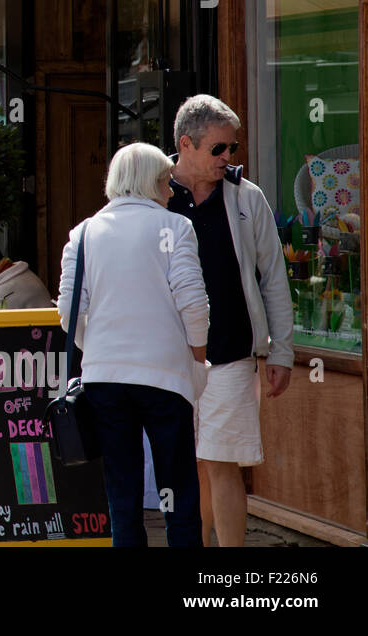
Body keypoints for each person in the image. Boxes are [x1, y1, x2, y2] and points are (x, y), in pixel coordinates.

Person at [57, 142, 209, 547]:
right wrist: (198, 360)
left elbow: (69, 312)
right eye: (166, 181)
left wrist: (98, 348)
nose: (171, 190)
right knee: (177, 489)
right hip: (166, 376)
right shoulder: (175, 227)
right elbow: (194, 304)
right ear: (150, 182)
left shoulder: (84, 233)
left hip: (105, 378)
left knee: (121, 492)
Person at [166, 94, 294, 547]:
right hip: (169, 356)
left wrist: (281, 351)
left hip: (231, 351)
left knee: (221, 463)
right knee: (192, 464)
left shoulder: (245, 196)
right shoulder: (154, 194)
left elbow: (273, 276)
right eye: (218, 148)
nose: (228, 157)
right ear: (186, 144)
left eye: (232, 147)